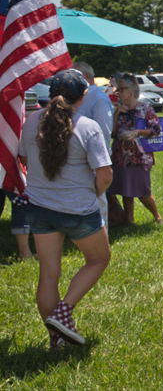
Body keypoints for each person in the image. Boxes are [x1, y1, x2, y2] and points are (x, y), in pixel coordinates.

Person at [18, 69, 113, 350]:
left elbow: (23, 158)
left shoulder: (30, 122)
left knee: (48, 274)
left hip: (37, 207)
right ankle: (63, 313)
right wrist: (92, 195)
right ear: (82, 97)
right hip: (78, 211)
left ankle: (56, 338)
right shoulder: (88, 127)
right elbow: (105, 175)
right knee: (98, 259)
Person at [107, 73, 163, 225]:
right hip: (121, 156)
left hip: (139, 156)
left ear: (132, 90)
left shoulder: (145, 108)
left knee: (143, 191)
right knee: (126, 190)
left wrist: (138, 132)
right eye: (117, 89)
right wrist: (116, 115)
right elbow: (112, 133)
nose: (118, 92)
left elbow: (156, 130)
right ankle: (129, 221)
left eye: (121, 89)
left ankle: (157, 216)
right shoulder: (119, 110)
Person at [72, 62, 115, 226]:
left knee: (98, 198)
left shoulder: (99, 98)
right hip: (79, 156)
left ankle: (101, 232)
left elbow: (104, 131)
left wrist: (98, 159)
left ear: (83, 78)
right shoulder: (81, 96)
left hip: (95, 157)